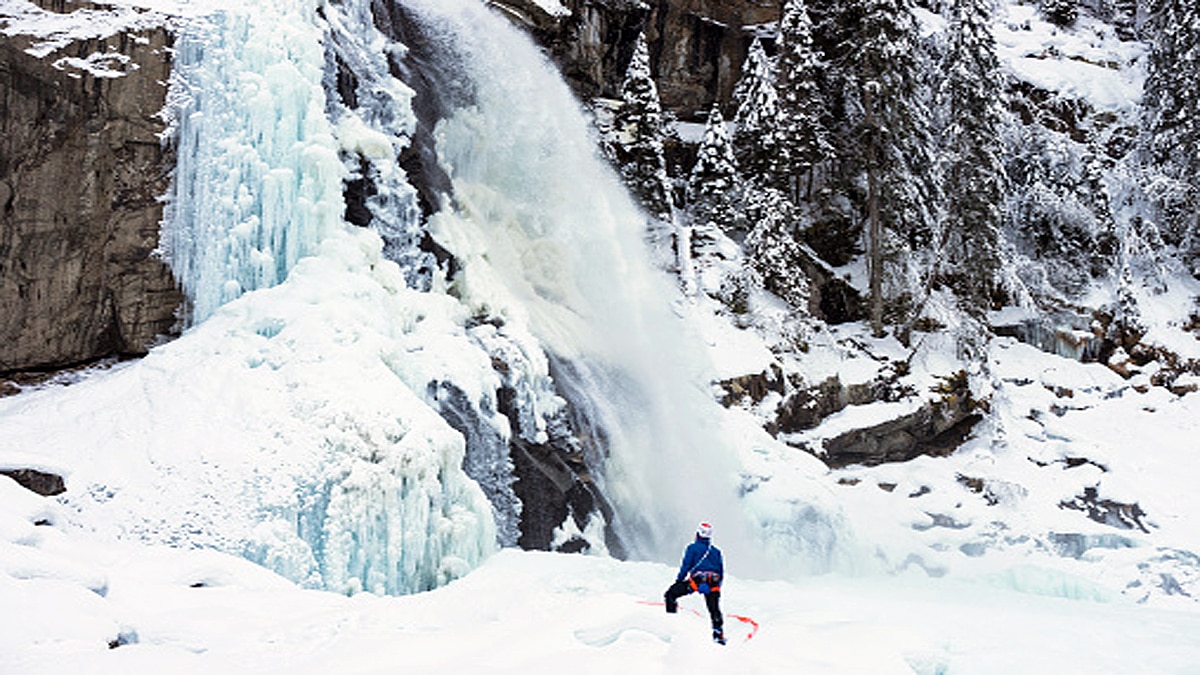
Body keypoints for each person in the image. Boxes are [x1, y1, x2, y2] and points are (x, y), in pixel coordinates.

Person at [664, 521, 725, 644]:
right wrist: (718, 586)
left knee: (670, 594)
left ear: (698, 534)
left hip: (696, 583)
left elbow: (686, 566)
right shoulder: (716, 551)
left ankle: (670, 624)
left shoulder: (692, 548)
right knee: (714, 609)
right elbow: (720, 571)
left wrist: (679, 581)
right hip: (713, 584)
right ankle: (718, 635)